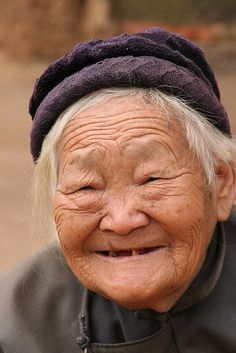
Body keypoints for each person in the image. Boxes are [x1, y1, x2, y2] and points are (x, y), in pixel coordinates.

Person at [0, 27, 236, 353]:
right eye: (86, 187)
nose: (122, 221)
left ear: (221, 185)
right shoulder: (13, 327)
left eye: (151, 179)